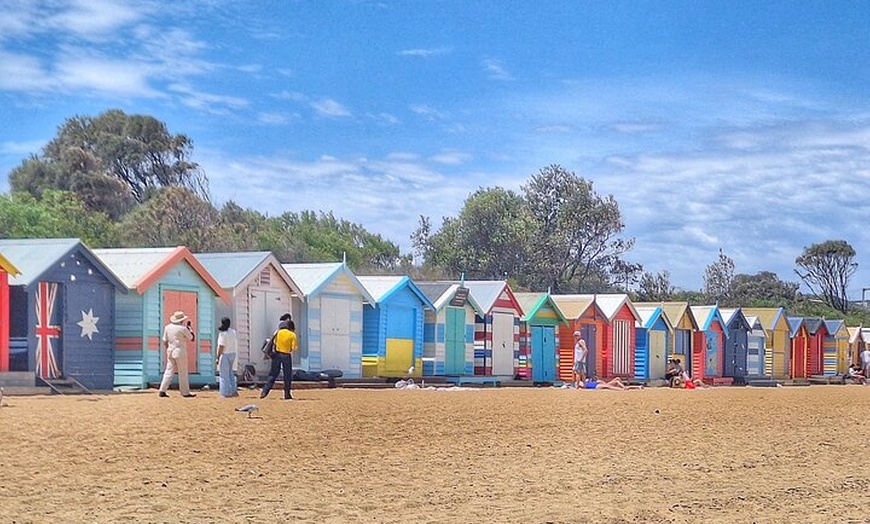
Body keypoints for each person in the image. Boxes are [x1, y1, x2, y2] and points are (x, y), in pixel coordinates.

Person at [158, 310, 196, 398]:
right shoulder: (182, 328)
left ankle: (162, 390)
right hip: (180, 351)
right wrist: (190, 329)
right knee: (183, 372)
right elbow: (192, 338)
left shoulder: (167, 327)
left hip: (170, 350)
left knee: (168, 371)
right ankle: (185, 392)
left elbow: (164, 340)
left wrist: (168, 348)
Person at [260, 314, 298, 400]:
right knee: (287, 375)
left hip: (276, 354)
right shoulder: (292, 335)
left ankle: (264, 391)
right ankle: (287, 394)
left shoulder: (278, 332)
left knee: (273, 374)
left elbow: (273, 343)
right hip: (286, 355)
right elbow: (294, 348)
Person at [216, 317, 239, 397]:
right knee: (230, 373)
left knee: (223, 375)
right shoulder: (233, 332)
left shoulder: (222, 334)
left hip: (225, 354)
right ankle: (233, 391)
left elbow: (221, 347)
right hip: (232, 353)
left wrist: (217, 357)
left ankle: (224, 392)